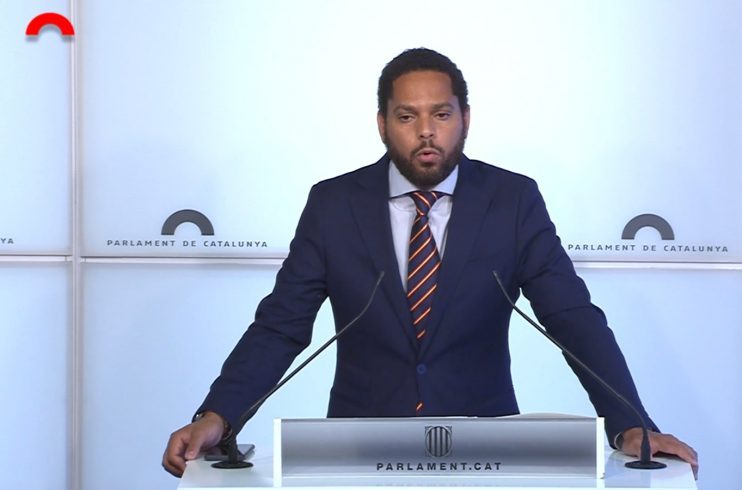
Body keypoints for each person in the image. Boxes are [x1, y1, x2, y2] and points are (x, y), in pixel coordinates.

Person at [162, 47, 698, 478]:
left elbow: (573, 320)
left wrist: (631, 425)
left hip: (486, 456)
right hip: (355, 458)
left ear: (465, 118)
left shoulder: (512, 201)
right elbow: (281, 325)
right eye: (407, 116)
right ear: (381, 123)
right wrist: (218, 415)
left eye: (441, 114)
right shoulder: (333, 205)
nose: (426, 132)